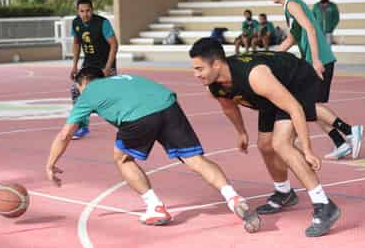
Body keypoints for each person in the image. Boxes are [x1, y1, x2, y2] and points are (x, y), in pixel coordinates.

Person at [45, 67, 260, 233]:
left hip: (139, 116)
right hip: (168, 105)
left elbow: (65, 134)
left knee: (122, 159)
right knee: (195, 160)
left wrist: (50, 163)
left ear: (84, 82)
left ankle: (155, 207)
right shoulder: (124, 79)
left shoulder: (89, 92)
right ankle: (233, 198)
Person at [189, 37, 341, 237]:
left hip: (297, 80)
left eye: (199, 69)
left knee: (281, 144)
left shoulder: (255, 76)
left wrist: (307, 149)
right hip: (268, 94)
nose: (195, 74)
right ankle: (284, 192)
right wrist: (241, 132)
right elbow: (229, 107)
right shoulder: (215, 85)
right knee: (265, 145)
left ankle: (324, 204)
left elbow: (294, 108)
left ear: (216, 64)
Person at [267, 0, 363, 162]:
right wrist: (271, 56)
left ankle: (350, 130)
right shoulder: (290, 7)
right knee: (312, 106)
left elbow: (310, 28)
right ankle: (340, 143)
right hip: (314, 60)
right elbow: (293, 37)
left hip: (319, 60)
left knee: (308, 105)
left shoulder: (292, 3)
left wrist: (317, 60)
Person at [70, 0, 119, 139]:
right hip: (89, 64)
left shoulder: (102, 23)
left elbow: (114, 45)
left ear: (92, 10)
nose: (85, 14)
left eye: (88, 11)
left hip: (105, 64)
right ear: (78, 12)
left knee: (110, 98)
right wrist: (74, 66)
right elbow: (76, 43)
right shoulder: (76, 23)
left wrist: (108, 68)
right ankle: (82, 126)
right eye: (82, 11)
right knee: (76, 90)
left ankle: (126, 124)